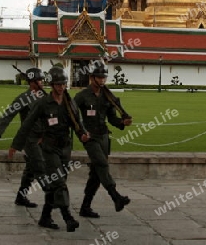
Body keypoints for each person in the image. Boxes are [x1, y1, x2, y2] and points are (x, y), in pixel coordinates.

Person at [8, 66, 89, 232]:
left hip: (65, 147)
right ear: (51, 85)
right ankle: (68, 217)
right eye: (58, 84)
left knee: (56, 184)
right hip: (49, 147)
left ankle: (45, 217)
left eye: (63, 84)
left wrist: (82, 133)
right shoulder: (42, 103)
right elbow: (28, 124)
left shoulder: (69, 102)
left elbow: (77, 122)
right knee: (59, 182)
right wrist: (16, 145)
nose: (61, 87)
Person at [74, 61, 132, 218]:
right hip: (90, 137)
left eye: (104, 77)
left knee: (96, 173)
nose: (102, 80)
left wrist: (122, 122)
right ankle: (115, 196)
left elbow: (112, 118)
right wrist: (80, 132)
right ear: (92, 78)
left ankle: (85, 207)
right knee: (101, 164)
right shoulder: (82, 96)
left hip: (104, 137)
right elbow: (71, 114)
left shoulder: (108, 96)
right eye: (99, 77)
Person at [0, 67, 46, 208]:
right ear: (32, 82)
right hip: (29, 138)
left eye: (42, 79)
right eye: (39, 80)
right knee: (40, 166)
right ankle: (55, 196)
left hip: (43, 138)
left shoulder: (45, 97)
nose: (42, 82)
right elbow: (9, 113)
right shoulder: (23, 98)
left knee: (31, 169)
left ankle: (21, 197)